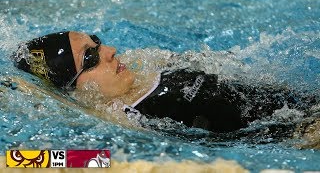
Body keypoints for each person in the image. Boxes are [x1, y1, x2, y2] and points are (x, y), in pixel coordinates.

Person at [11, 31, 317, 133]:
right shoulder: (121, 119)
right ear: (72, 92)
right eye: (90, 59)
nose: (110, 51)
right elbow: (91, 160)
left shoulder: (143, 66)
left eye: (98, 41)